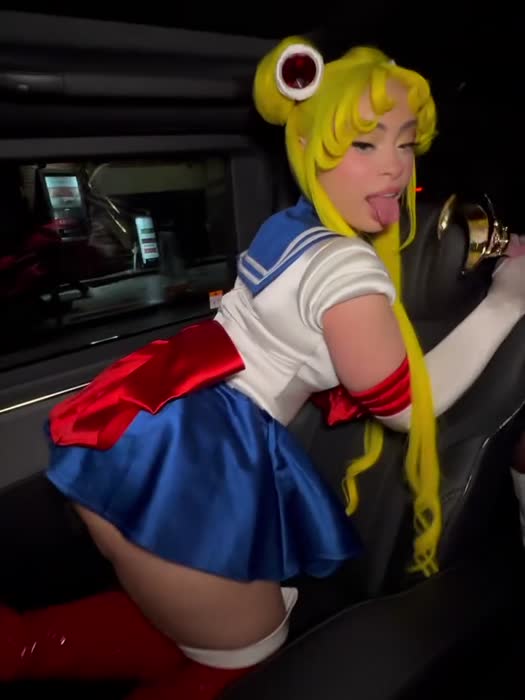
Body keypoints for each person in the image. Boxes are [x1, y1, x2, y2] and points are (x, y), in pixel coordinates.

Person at [2, 35, 525, 700]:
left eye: (404, 142)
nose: (395, 166)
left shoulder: (288, 228)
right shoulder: (346, 269)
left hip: (150, 432)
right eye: (364, 145)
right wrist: (505, 303)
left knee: (200, 631)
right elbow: (405, 407)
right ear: (308, 147)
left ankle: (19, 648)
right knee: (248, 656)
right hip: (193, 460)